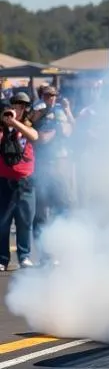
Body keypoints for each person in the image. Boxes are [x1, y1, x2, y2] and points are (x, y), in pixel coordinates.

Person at [30, 85, 74, 263]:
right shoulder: (37, 110)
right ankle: (44, 254)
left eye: (54, 95)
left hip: (60, 163)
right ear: (43, 96)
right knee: (41, 213)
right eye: (48, 95)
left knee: (63, 207)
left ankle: (60, 249)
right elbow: (38, 137)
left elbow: (69, 131)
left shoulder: (60, 111)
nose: (52, 98)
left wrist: (66, 112)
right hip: (42, 166)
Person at [0, 91, 40, 270]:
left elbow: (34, 136)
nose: (19, 108)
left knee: (25, 221)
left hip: (25, 182)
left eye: (22, 105)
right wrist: (5, 122)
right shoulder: (2, 129)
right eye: (16, 105)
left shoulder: (27, 126)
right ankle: (2, 259)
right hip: (5, 182)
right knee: (2, 223)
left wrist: (14, 122)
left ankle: (24, 256)